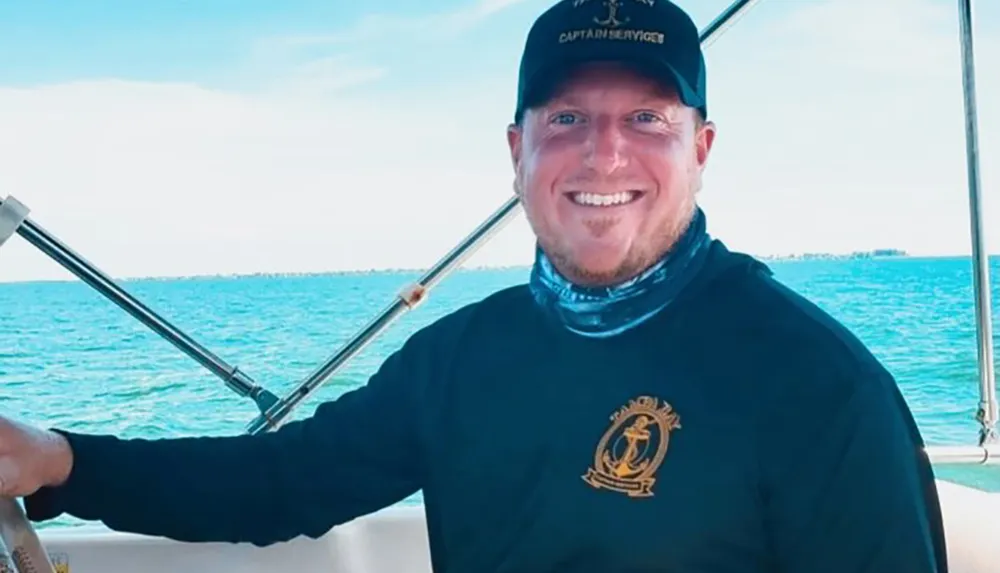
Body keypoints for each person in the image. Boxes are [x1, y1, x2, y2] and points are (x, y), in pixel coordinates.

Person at [0, 0, 949, 571]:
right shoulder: (461, 359)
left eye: (648, 118)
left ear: (700, 150)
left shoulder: (820, 388)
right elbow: (278, 482)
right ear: (518, 149)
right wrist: (58, 461)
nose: (604, 151)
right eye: (568, 114)